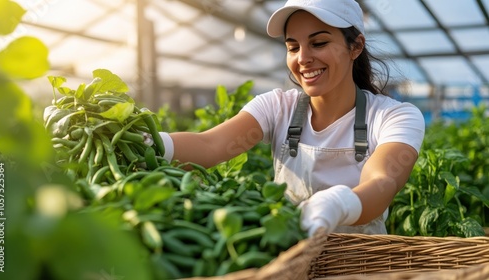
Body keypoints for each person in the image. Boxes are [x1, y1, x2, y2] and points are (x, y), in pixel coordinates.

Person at [158, 0, 425, 237]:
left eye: (319, 43)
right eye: (293, 47)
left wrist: (339, 205)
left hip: (362, 266)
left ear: (355, 47)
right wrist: (150, 142)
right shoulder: (276, 107)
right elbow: (209, 146)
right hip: (291, 263)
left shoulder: (394, 116)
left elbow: (382, 182)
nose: (303, 58)